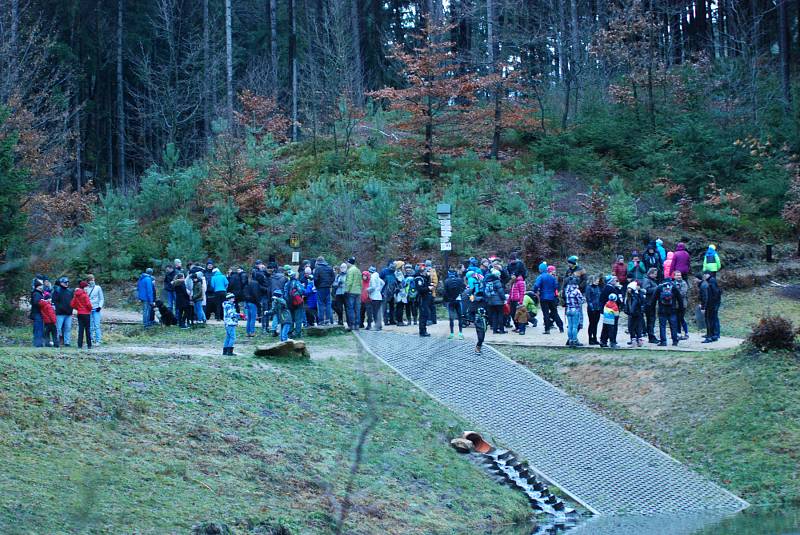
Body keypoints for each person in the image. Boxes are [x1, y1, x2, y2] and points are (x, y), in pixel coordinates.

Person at [533, 264, 563, 334]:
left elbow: (536, 285)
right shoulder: (552, 277)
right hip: (552, 297)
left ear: (540, 270)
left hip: (543, 297)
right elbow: (556, 286)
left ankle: (547, 329)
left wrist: (535, 291)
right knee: (554, 312)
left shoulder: (540, 277)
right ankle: (561, 327)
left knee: (546, 314)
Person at [654, 276, 682, 346]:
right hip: (672, 310)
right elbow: (680, 299)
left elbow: (653, 299)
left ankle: (663, 341)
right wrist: (680, 309)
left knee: (662, 326)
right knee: (673, 326)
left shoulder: (659, 288)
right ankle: (674, 341)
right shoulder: (674, 287)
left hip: (662, 310)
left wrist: (652, 308)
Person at [699, 271, 722, 343]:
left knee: (710, 320)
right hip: (714, 303)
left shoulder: (709, 283)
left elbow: (708, 296)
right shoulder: (712, 281)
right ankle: (714, 335)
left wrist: (704, 306)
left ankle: (711, 336)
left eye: (705, 275)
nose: (704, 276)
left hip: (711, 304)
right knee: (713, 319)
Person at [443, 269, 466, 339]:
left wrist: (446, 300)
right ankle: (460, 333)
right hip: (458, 300)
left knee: (451, 318)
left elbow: (445, 292)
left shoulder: (446, 281)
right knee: (460, 317)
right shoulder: (460, 280)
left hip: (451, 301)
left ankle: (452, 333)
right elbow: (464, 288)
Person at [70, 281, 93, 349]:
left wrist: (78, 308)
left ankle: (79, 345)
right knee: (87, 329)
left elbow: (72, 304)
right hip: (86, 314)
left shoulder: (76, 295)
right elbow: (88, 304)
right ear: (84, 287)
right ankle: (89, 345)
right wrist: (90, 309)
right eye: (87, 287)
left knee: (81, 329)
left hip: (79, 313)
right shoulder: (85, 295)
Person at [313, 256, 335, 325]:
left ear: (318, 261)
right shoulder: (329, 267)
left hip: (320, 288)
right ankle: (328, 320)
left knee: (320, 304)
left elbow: (315, 279)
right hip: (327, 288)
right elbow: (333, 277)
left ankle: (321, 321)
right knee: (328, 304)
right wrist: (329, 284)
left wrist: (317, 286)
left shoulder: (318, 268)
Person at [484, 268, 506, 334]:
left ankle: (494, 330)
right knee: (500, 315)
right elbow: (501, 292)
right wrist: (504, 298)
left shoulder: (488, 282)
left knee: (494, 315)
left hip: (491, 302)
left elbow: (486, 292)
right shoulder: (497, 282)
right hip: (499, 302)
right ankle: (501, 330)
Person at [53, 277, 75, 344]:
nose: (67, 283)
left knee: (67, 328)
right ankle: (56, 341)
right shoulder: (57, 291)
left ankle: (67, 342)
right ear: (61, 283)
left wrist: (72, 309)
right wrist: (58, 308)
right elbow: (54, 301)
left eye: (67, 282)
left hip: (68, 313)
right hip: (60, 313)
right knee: (58, 328)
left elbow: (72, 301)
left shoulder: (70, 291)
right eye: (65, 282)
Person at [564, 277, 585, 347]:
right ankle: (574, 340)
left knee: (570, 326)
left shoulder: (567, 290)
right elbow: (581, 300)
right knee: (575, 327)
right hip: (575, 310)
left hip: (568, 310)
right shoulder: (576, 291)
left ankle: (570, 340)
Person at [284, 271, 306, 338]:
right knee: (298, 319)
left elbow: (285, 294)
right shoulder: (297, 283)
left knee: (291, 319)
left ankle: (290, 333)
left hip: (289, 304)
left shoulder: (286, 284)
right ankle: (297, 333)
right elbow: (302, 291)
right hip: (298, 303)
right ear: (294, 276)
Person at [624, 281, 646, 347]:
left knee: (635, 327)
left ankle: (637, 340)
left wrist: (631, 312)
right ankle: (635, 340)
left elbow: (634, 305)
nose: (628, 290)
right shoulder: (630, 296)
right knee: (632, 327)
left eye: (630, 288)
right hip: (632, 314)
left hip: (635, 314)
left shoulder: (635, 296)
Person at [641, 268, 659, 343]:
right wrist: (657, 288)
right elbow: (646, 290)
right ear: (650, 273)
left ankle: (651, 336)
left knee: (651, 320)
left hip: (652, 302)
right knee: (650, 320)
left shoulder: (652, 281)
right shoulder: (647, 280)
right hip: (648, 303)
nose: (656, 275)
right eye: (654, 274)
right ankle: (651, 336)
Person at [85, 274, 104, 346]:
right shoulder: (86, 288)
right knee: (90, 325)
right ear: (88, 281)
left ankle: (98, 340)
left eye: (93, 280)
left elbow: (101, 298)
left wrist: (100, 306)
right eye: (91, 280)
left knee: (97, 325)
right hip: (88, 309)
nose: (92, 281)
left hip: (96, 309)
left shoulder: (98, 288)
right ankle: (91, 339)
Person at [344, 257, 362, 331]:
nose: (347, 264)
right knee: (357, 309)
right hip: (358, 292)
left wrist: (346, 290)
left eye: (347, 263)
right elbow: (361, 282)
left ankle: (352, 325)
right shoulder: (358, 270)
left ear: (349, 263)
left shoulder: (350, 270)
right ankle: (357, 325)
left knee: (350, 309)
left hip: (351, 292)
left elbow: (349, 282)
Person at [379, 259, 398, 326]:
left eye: (394, 266)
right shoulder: (384, 271)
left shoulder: (394, 272)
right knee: (384, 307)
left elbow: (396, 282)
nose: (393, 267)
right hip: (385, 292)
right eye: (392, 265)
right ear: (389, 265)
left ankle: (392, 320)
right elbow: (379, 281)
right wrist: (381, 291)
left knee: (392, 307)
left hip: (393, 292)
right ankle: (386, 321)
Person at [416, 267, 433, 337]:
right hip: (421, 299)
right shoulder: (419, 279)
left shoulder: (424, 278)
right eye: (426, 271)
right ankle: (422, 331)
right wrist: (428, 288)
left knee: (425, 314)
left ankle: (424, 330)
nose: (428, 272)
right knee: (423, 315)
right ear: (422, 271)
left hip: (425, 299)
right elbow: (420, 289)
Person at [585, 275, 602, 345]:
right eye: (596, 280)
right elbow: (588, 299)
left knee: (596, 324)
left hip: (598, 308)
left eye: (598, 280)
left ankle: (594, 338)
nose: (598, 281)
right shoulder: (589, 288)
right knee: (591, 323)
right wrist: (592, 308)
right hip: (591, 308)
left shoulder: (598, 287)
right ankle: (590, 339)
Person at [673, 271, 690, 340]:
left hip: (682, 304)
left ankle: (686, 333)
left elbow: (682, 293)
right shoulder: (673, 283)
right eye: (677, 275)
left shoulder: (684, 283)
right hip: (675, 305)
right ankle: (678, 333)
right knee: (676, 319)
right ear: (674, 276)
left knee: (681, 319)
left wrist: (674, 294)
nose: (679, 276)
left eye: (680, 275)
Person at [367, 266, 385, 331]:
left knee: (375, 312)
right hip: (379, 296)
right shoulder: (377, 276)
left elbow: (373, 287)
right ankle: (379, 325)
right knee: (378, 312)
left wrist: (367, 290)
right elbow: (383, 283)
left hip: (374, 297)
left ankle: (376, 327)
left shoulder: (372, 277)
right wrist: (379, 290)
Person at [30, 280, 45, 347]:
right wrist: (44, 302)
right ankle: (37, 343)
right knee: (38, 328)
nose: (42, 287)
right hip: (37, 313)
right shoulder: (36, 294)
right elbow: (36, 303)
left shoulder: (38, 293)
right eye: (41, 285)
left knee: (39, 328)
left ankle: (39, 343)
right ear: (38, 286)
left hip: (38, 313)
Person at [425, 260, 438, 325]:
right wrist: (433, 288)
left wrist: (429, 288)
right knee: (432, 307)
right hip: (432, 292)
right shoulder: (433, 271)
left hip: (428, 292)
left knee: (428, 306)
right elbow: (435, 282)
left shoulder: (427, 271)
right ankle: (434, 320)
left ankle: (429, 320)